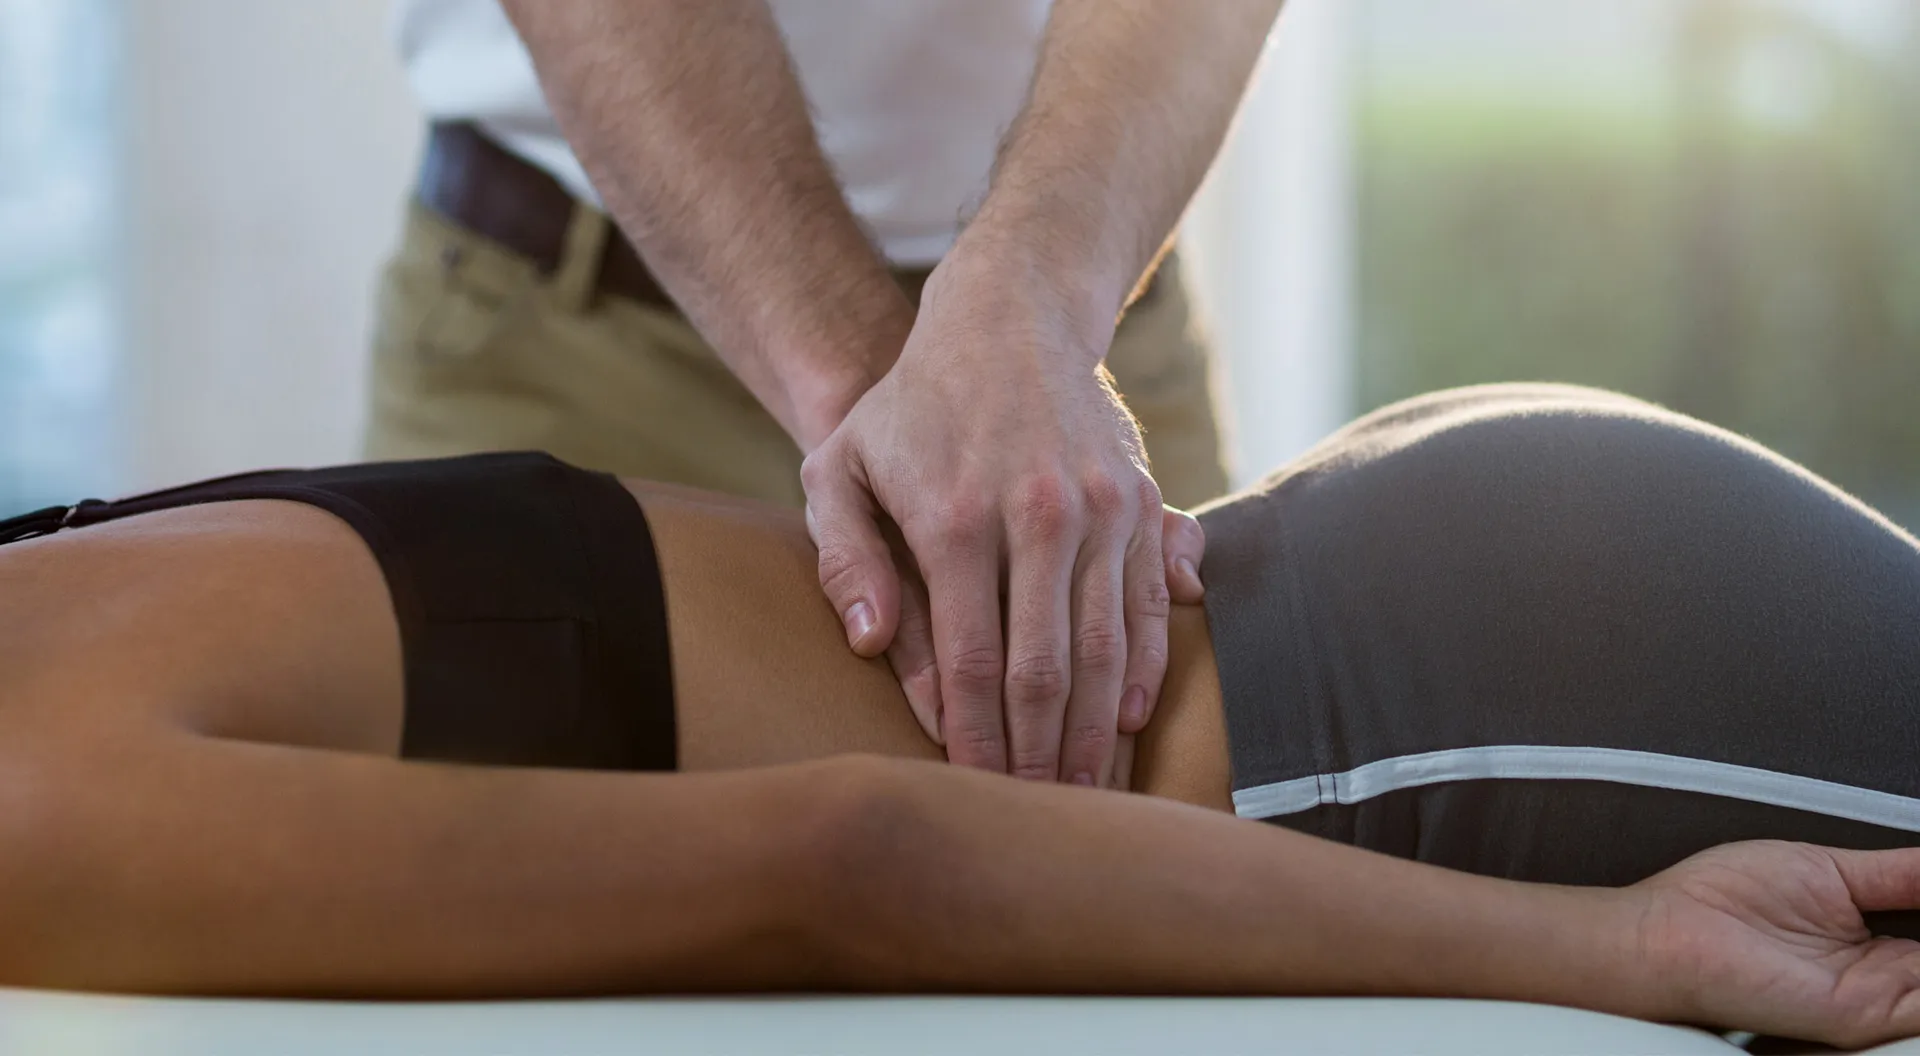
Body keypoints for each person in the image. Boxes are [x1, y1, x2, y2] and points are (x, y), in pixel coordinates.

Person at [3, 384, 1919, 1047]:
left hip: (1452, 718)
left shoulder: (31, 819)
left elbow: (848, 852)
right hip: (1418, 608)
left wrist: (1626, 946)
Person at [371, 0, 1281, 788]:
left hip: (1079, 359)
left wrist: (1032, 304)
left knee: (1162, 926)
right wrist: (920, 420)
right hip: (576, 348)